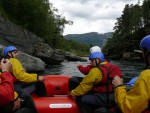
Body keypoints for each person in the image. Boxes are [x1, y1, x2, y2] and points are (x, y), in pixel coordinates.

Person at [112, 35, 150, 113]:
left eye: (143, 52)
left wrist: (119, 86)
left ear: (147, 53)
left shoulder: (147, 76)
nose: (142, 56)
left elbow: (128, 108)